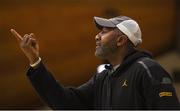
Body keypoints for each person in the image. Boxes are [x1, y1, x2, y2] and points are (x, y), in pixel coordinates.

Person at [11, 15, 180, 109]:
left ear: (121, 40)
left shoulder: (147, 69)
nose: (97, 36)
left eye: (104, 32)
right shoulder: (103, 77)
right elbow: (66, 103)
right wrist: (35, 61)